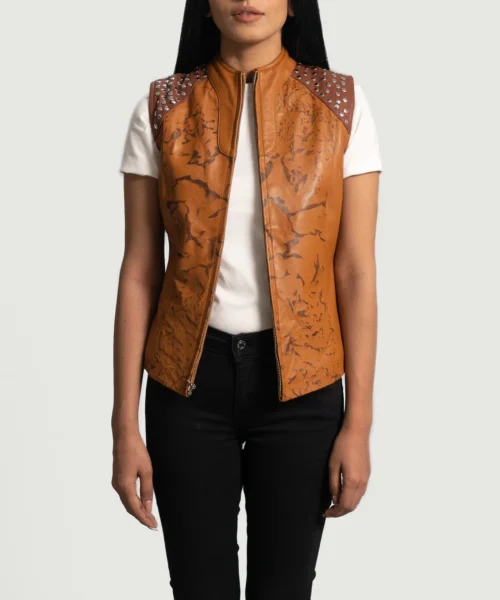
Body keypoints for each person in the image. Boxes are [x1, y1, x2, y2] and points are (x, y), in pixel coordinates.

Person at [112, 0, 382, 598]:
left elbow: (355, 272)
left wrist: (359, 422)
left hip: (304, 387)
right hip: (186, 384)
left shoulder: (342, 105)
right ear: (205, 6)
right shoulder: (161, 108)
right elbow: (139, 272)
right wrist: (123, 425)